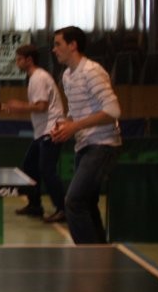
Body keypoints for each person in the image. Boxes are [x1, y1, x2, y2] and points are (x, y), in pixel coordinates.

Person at [50, 26, 122, 244]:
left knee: (74, 202)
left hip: (103, 145)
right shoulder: (67, 76)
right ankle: (100, 255)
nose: (54, 49)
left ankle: (87, 256)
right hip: (84, 145)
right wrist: (65, 125)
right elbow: (75, 113)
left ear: (73, 45)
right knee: (87, 204)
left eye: (58, 44)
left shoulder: (92, 71)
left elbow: (113, 111)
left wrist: (74, 127)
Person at [1, 44, 66, 223]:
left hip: (52, 130)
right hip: (42, 131)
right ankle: (35, 205)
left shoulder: (38, 77)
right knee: (30, 166)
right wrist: (18, 107)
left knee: (47, 170)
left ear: (29, 60)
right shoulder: (35, 77)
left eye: (19, 59)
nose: (17, 63)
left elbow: (41, 106)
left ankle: (63, 209)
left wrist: (19, 106)